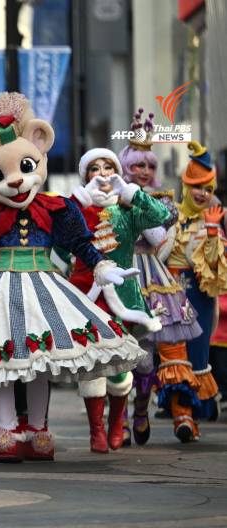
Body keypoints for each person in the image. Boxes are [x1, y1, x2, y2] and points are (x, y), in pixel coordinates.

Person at [0, 92, 145, 463]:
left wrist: (101, 266)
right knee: (0, 359)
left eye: (25, 168)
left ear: (40, 155)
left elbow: (80, 242)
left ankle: (38, 428)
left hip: (43, 285)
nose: (15, 182)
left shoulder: (57, 207)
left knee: (39, 358)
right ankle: (6, 428)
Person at [68, 148, 169, 453]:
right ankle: (96, 430)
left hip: (123, 297)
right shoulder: (76, 207)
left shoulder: (127, 208)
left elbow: (161, 217)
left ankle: (116, 423)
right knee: (92, 364)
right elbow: (58, 240)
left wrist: (133, 193)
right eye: (94, 168)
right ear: (85, 176)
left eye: (108, 167)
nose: (101, 173)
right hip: (85, 295)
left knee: (121, 365)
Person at [118, 109, 202, 445]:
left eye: (150, 165)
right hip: (122, 276)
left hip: (155, 276)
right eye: (138, 165)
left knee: (157, 351)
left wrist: (161, 244)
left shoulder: (164, 201)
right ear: (126, 166)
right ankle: (119, 421)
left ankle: (145, 410)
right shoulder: (113, 196)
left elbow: (165, 242)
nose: (144, 171)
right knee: (120, 351)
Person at [158, 141, 226, 442]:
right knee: (174, 358)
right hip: (168, 293)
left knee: (196, 362)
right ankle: (181, 416)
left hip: (198, 296)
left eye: (208, 189)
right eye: (197, 187)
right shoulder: (168, 214)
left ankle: (189, 417)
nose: (202, 194)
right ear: (186, 185)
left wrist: (212, 231)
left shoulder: (211, 222)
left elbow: (215, 270)